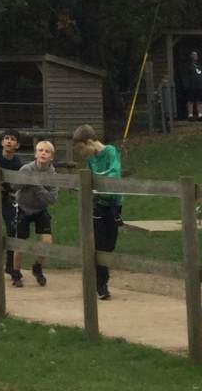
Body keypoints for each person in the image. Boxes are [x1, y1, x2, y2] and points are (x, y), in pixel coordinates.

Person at [72, 124, 123, 300]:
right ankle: (101, 285)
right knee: (99, 244)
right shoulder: (90, 159)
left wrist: (99, 184)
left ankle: (98, 280)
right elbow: (90, 179)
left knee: (109, 246)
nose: (81, 153)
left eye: (81, 148)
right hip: (97, 204)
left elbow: (114, 173)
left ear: (89, 142)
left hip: (114, 204)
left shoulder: (111, 152)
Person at [12, 138, 59, 287]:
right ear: (35, 154)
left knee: (47, 241)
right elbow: (14, 186)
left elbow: (52, 199)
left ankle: (37, 267)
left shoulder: (52, 174)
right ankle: (16, 272)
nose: (43, 153)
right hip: (23, 207)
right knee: (21, 242)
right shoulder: (27, 169)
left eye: (47, 151)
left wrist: (36, 186)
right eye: (40, 150)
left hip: (40, 209)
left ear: (52, 156)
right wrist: (25, 182)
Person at [0, 130, 25, 284]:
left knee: (12, 229)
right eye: (6, 138)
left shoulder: (17, 163)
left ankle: (10, 265)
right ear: (2, 142)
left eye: (12, 139)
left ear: (17, 145)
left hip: (7, 198)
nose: (9, 141)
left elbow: (17, 184)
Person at [181, 52, 202, 121]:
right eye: (194, 55)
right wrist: (186, 86)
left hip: (200, 87)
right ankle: (190, 115)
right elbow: (185, 77)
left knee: (199, 101)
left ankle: (200, 115)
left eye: (196, 55)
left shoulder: (200, 66)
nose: (196, 56)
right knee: (190, 101)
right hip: (191, 87)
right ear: (191, 56)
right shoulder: (188, 66)